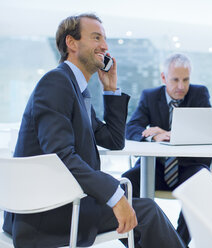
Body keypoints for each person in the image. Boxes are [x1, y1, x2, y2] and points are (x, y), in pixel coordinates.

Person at [2, 13, 186, 248]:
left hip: (63, 203)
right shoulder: (57, 83)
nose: (104, 45)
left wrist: (110, 90)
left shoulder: (76, 90)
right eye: (96, 37)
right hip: (46, 213)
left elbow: (114, 140)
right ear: (72, 43)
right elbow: (61, 156)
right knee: (147, 212)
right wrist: (115, 196)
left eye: (105, 39)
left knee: (141, 213)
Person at [123, 53, 212, 245]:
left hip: (188, 168)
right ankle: (139, 244)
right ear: (164, 78)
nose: (181, 86)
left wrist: (171, 134)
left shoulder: (199, 94)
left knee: (202, 182)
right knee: (126, 184)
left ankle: (179, 244)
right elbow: (131, 128)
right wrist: (153, 135)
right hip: (154, 169)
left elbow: (206, 132)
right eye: (175, 79)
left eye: (186, 80)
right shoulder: (150, 96)